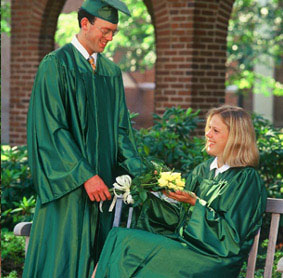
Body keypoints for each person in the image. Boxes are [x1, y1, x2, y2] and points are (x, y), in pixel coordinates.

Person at [23, 0, 143, 277]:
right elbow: (50, 129)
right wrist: (84, 175)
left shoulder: (110, 73)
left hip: (103, 192)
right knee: (61, 261)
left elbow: (121, 132)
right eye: (105, 30)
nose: (110, 37)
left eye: (114, 31)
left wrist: (145, 175)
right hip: (68, 190)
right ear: (85, 23)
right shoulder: (56, 65)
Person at [94, 105, 267, 278]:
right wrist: (152, 194)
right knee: (119, 237)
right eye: (208, 129)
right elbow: (179, 219)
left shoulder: (246, 179)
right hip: (188, 246)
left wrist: (194, 203)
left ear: (234, 137)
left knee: (127, 243)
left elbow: (231, 238)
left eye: (215, 130)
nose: (207, 134)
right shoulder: (203, 170)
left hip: (214, 259)